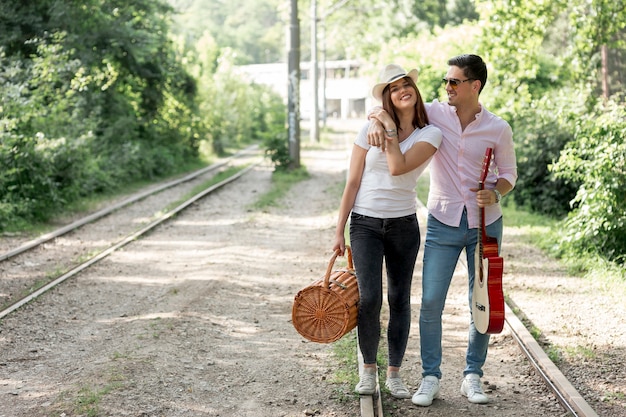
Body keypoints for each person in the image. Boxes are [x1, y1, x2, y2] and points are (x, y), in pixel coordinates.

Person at [368, 54, 517, 406]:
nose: (446, 88)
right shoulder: (433, 113)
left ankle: (473, 376)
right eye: (445, 82)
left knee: (480, 302)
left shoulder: (498, 128)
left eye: (454, 82)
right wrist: (376, 117)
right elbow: (393, 104)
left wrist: (496, 192)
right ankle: (430, 377)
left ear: (474, 86)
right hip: (442, 221)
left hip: (485, 224)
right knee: (432, 302)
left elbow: (509, 174)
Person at [333, 64, 442, 399]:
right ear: (387, 97)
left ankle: (394, 373)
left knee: (398, 299)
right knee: (369, 299)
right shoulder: (368, 128)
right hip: (365, 223)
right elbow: (352, 182)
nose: (402, 90)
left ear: (415, 90)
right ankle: (368, 371)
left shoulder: (430, 134)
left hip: (403, 226)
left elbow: (397, 168)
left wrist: (389, 127)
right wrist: (339, 230)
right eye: (394, 88)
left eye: (407, 84)